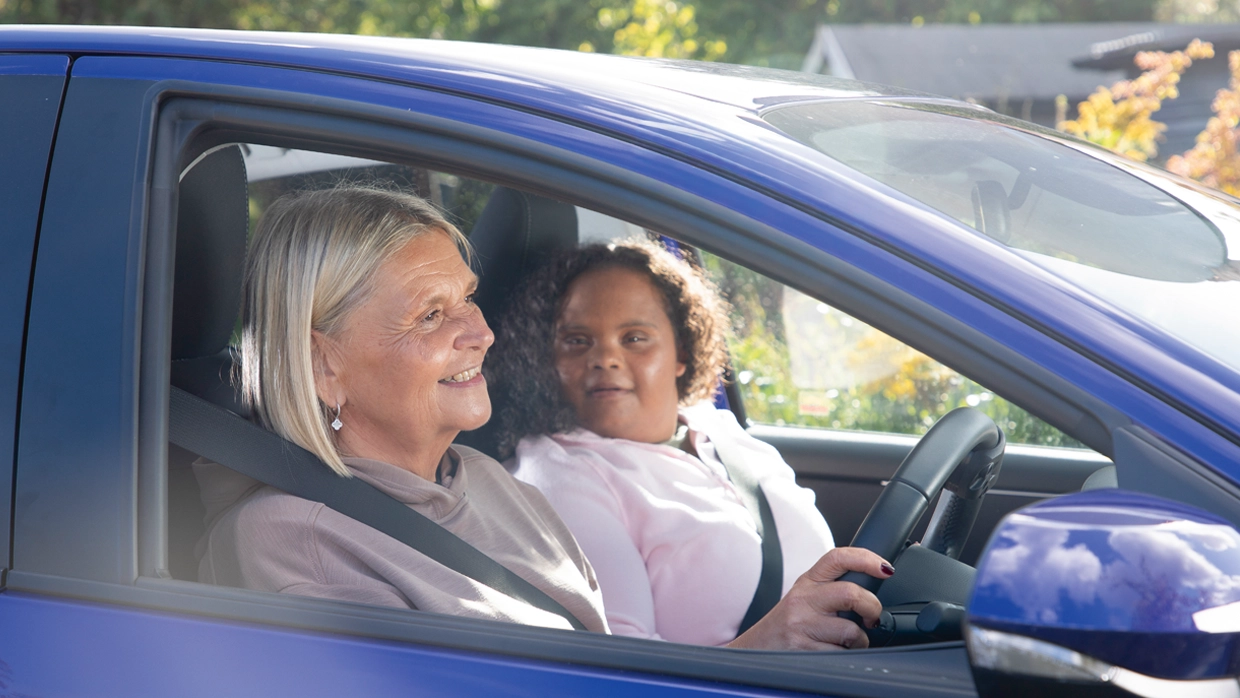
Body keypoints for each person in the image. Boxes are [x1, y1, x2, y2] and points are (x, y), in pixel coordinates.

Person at [194, 186, 608, 632]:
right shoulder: (294, 540)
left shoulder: (488, 478)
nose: (481, 333)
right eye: (429, 315)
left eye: (467, 298)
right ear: (324, 366)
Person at [488, 239, 893, 649]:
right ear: (548, 360)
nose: (605, 357)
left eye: (634, 338)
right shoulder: (557, 478)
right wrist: (767, 643)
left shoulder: (717, 429)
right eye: (577, 340)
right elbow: (619, 674)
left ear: (681, 351)